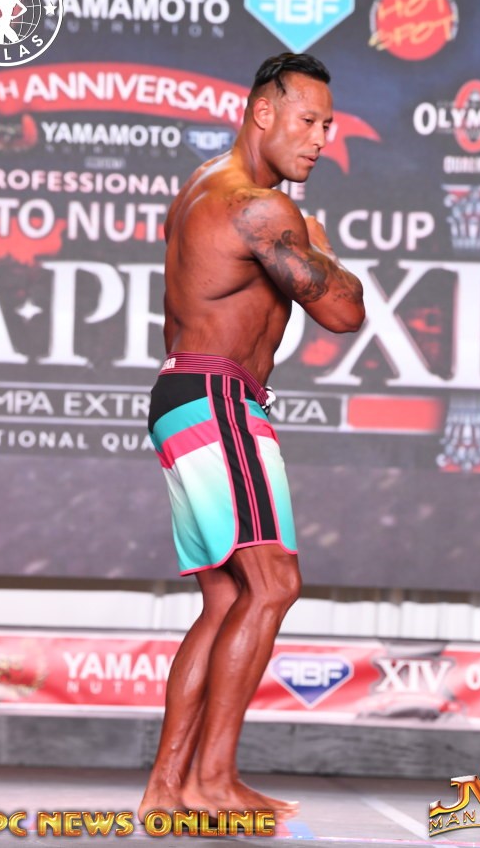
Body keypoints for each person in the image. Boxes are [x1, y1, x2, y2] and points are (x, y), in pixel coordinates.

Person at [139, 53, 365, 820]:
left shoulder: (202, 186)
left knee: (226, 596)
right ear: (263, 113)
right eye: (309, 121)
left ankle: (167, 786)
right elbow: (344, 312)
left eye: (329, 124)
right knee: (273, 584)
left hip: (184, 394)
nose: (322, 139)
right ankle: (211, 782)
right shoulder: (259, 209)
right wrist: (320, 245)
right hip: (217, 396)